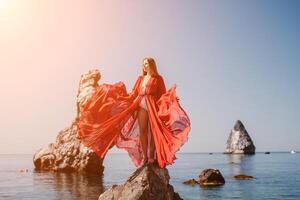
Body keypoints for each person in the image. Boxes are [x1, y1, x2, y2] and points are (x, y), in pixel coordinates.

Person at [76, 57, 191, 168]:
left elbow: (162, 94)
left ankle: (152, 156)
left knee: (153, 131)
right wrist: (124, 99)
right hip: (140, 104)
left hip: (152, 106)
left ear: (152, 65)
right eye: (143, 64)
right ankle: (145, 157)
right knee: (143, 131)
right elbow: (134, 93)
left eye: (146, 63)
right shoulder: (140, 78)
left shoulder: (158, 78)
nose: (144, 66)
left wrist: (171, 100)